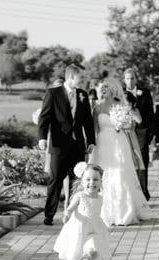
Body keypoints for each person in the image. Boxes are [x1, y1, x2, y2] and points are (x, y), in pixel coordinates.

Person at [38, 64, 96, 226]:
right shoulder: (53, 93)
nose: (82, 80)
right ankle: (49, 215)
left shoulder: (82, 95)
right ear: (71, 77)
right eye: (80, 77)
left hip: (77, 146)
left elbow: (87, 121)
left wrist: (91, 140)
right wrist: (42, 138)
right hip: (58, 145)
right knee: (55, 180)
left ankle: (72, 214)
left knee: (76, 181)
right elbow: (44, 118)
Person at [90, 77, 152, 226]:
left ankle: (123, 212)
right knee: (104, 173)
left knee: (120, 174)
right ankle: (104, 212)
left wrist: (122, 122)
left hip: (119, 142)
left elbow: (134, 122)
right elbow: (94, 129)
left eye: (106, 88)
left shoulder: (122, 105)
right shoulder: (97, 108)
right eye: (102, 88)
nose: (103, 90)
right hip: (103, 143)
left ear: (112, 89)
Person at [54, 162, 111, 260]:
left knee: (92, 250)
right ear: (82, 181)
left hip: (94, 228)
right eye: (88, 179)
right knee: (77, 254)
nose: (92, 182)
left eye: (96, 179)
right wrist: (66, 215)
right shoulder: (80, 196)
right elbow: (70, 208)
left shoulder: (100, 197)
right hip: (79, 228)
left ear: (101, 181)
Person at [124, 68, 155, 201]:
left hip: (142, 133)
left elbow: (150, 115)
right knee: (128, 163)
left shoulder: (145, 92)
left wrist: (150, 134)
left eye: (132, 78)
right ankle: (131, 193)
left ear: (136, 79)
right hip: (125, 133)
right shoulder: (119, 93)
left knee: (142, 163)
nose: (130, 81)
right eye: (127, 78)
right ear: (124, 80)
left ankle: (143, 193)